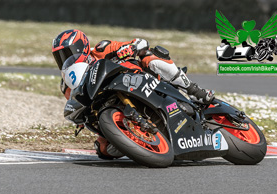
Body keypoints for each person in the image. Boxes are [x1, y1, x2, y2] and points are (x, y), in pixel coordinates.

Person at [52, 29, 215, 159]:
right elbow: (75, 102)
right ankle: (146, 143)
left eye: (67, 52)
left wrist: (129, 48)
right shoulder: (67, 83)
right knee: (104, 150)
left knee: (150, 58)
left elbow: (139, 42)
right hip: (109, 105)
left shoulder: (101, 49)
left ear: (82, 46)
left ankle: (194, 90)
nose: (65, 58)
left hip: (140, 80)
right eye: (59, 56)